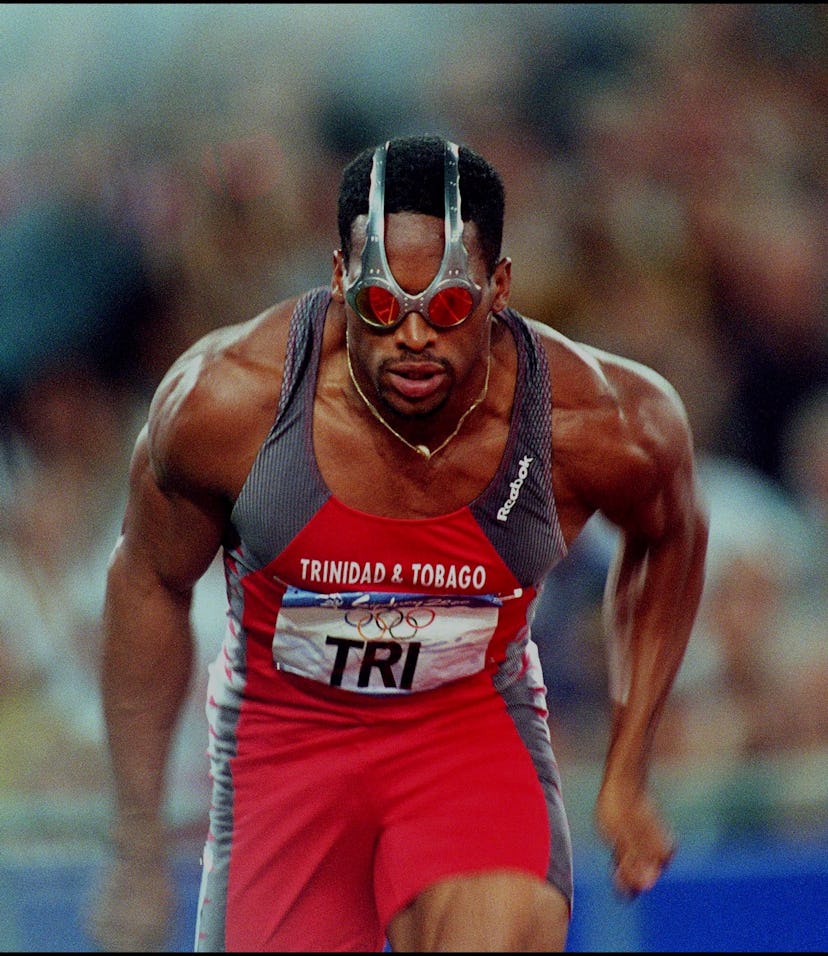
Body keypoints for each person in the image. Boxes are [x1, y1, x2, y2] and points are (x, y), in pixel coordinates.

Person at [90, 135, 708, 952]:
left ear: (499, 288)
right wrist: (136, 842)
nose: (414, 338)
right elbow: (147, 582)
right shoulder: (226, 405)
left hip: (467, 738)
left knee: (503, 930)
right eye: (382, 306)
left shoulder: (598, 423)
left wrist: (629, 771)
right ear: (341, 281)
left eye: (448, 307)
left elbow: (671, 539)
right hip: (287, 748)